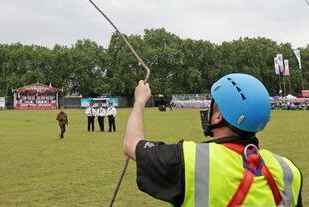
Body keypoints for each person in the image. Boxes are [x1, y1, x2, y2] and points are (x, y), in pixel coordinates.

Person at [123, 73, 303, 206]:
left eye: (213, 105)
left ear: (218, 117)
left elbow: (132, 144)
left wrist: (139, 101)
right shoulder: (288, 170)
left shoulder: (191, 160)